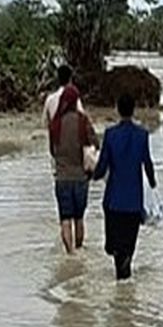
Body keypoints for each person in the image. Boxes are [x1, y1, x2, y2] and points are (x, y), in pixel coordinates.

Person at [92, 93, 157, 281]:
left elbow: (102, 165)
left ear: (117, 109)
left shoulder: (111, 135)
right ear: (133, 109)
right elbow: (148, 163)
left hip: (114, 201)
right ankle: (125, 282)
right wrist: (152, 183)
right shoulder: (142, 135)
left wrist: (93, 176)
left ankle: (121, 279)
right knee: (129, 244)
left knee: (115, 246)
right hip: (134, 202)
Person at [50, 84, 98, 255]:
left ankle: (70, 253)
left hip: (61, 178)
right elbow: (95, 144)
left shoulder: (55, 124)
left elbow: (52, 151)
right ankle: (78, 249)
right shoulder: (83, 121)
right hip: (80, 178)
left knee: (65, 219)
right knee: (79, 218)